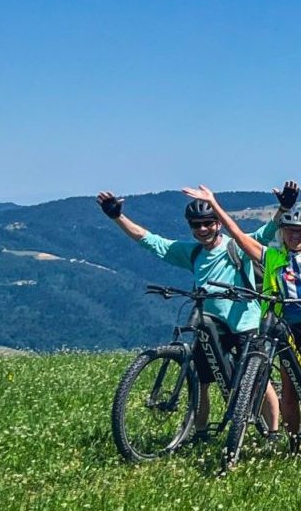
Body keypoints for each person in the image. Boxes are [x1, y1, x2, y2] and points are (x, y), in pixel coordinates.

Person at [182, 164, 301, 439]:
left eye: (300, 231)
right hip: (289, 326)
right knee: (290, 388)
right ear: (282, 233)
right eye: (289, 230)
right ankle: (292, 443)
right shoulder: (271, 257)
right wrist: (213, 204)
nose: (295, 235)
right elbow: (237, 236)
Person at [96, 183, 285, 432]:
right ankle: (199, 433)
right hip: (210, 324)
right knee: (200, 380)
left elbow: (267, 232)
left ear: (218, 223)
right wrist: (117, 217)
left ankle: (272, 432)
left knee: (259, 378)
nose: (203, 229)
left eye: (208, 223)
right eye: (196, 225)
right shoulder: (193, 252)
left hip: (244, 322)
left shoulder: (235, 245)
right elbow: (150, 241)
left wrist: (284, 207)